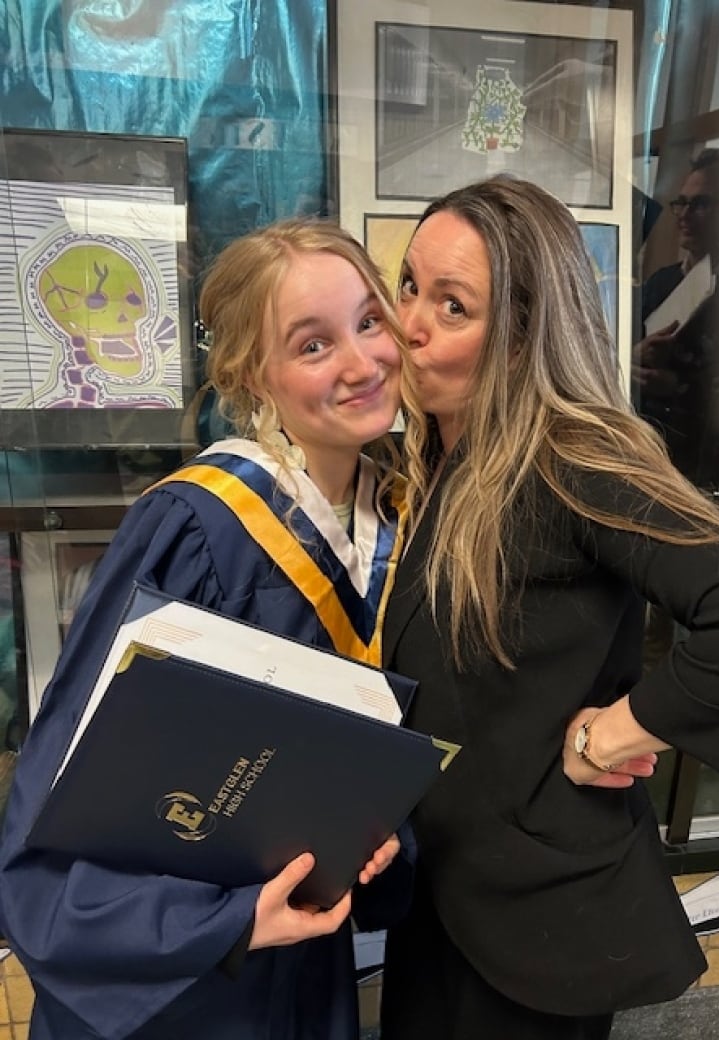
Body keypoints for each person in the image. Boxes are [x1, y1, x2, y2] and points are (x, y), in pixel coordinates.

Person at [378, 174, 719, 1040]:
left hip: (535, 912)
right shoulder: (444, 449)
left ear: (523, 339)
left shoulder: (571, 457)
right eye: (410, 285)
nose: (409, 323)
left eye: (454, 307)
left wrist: (618, 734)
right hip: (445, 889)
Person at [0, 218, 416, 1040]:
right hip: (187, 987)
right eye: (312, 345)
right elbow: (66, 799)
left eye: (370, 321)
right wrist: (221, 923)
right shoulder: (198, 528)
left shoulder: (401, 519)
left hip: (308, 961)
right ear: (250, 375)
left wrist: (376, 839)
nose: (362, 362)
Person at [632, 148, 719, 489]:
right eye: (681, 203)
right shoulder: (660, 281)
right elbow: (614, 344)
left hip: (709, 473)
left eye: (701, 204)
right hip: (641, 454)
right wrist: (632, 358)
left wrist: (679, 389)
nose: (684, 215)